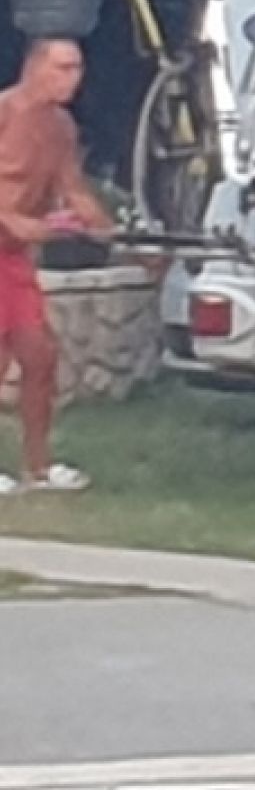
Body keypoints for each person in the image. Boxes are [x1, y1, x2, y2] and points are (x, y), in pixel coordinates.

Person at [0, 36, 109, 495]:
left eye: (77, 68)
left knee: (41, 357)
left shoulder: (61, 126)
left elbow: (73, 187)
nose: (72, 78)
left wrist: (100, 222)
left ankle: (38, 468)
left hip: (14, 260)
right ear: (34, 68)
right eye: (62, 68)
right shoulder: (4, 112)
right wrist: (17, 222)